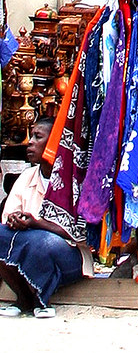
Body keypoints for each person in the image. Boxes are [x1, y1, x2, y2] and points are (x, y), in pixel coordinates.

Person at [0, 119, 93, 317]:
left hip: (70, 259)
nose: (30, 142)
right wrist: (14, 220)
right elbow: (7, 218)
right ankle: (23, 298)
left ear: (54, 143)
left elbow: (81, 233)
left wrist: (36, 223)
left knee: (41, 242)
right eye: (32, 136)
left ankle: (41, 300)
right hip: (29, 247)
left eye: (38, 137)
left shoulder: (75, 179)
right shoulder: (27, 176)